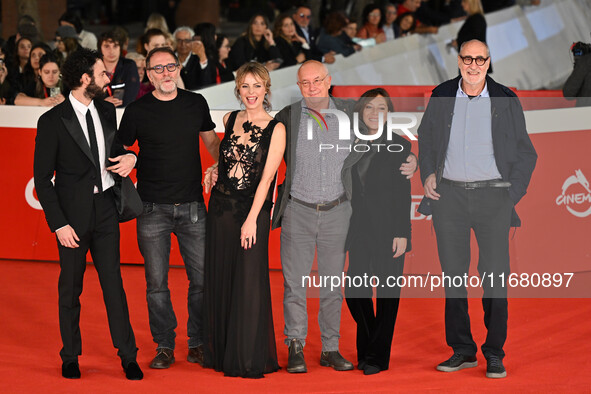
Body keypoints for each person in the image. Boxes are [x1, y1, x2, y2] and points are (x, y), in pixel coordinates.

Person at [273, 60, 417, 374]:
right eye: (305, 83)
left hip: (338, 213)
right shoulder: (289, 116)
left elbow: (381, 121)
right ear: (299, 86)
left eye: (317, 81)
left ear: (329, 81)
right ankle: (295, 344)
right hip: (298, 210)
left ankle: (330, 348)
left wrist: (410, 156)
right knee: (295, 284)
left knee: (333, 285)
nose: (312, 88)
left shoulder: (350, 111)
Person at [417, 39, 537, 379]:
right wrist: (427, 174)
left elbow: (526, 153)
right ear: (458, 61)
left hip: (493, 200)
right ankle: (462, 351)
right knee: (454, 278)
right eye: (467, 59)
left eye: (479, 59)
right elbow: (426, 140)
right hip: (449, 200)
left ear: (488, 62)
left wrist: (510, 196)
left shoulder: (506, 99)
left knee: (495, 278)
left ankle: (495, 352)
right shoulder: (441, 96)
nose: (473, 65)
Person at [32, 47, 143, 381]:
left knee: (114, 285)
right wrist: (59, 224)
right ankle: (70, 356)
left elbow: (117, 153)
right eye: (101, 73)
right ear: (84, 79)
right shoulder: (52, 121)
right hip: (72, 218)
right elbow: (42, 179)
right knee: (71, 288)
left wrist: (131, 159)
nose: (107, 77)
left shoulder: (107, 112)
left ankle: (128, 355)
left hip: (107, 208)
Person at [117, 47, 220, 370]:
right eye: (157, 69)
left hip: (193, 207)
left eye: (170, 67)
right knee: (156, 285)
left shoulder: (196, 103)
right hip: (151, 210)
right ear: (148, 75)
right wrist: (132, 157)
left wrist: (221, 164)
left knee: (202, 281)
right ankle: (164, 345)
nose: (165, 73)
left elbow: (212, 142)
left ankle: (198, 343)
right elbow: (117, 149)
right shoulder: (136, 111)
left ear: (178, 69)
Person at [202, 61, 285, 379]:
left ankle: (248, 357)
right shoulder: (229, 118)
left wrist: (251, 220)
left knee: (249, 282)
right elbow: (226, 158)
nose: (251, 93)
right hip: (220, 209)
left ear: (266, 89)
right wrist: (214, 169)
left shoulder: (276, 128)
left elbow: (266, 179)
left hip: (252, 213)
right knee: (222, 276)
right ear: (238, 89)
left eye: (257, 86)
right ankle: (223, 352)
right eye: (245, 86)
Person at [344, 88, 412, 376]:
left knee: (387, 295)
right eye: (369, 107)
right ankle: (372, 343)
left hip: (389, 230)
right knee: (354, 291)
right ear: (361, 111)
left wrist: (402, 232)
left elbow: (403, 192)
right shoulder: (349, 144)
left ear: (388, 113)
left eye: (381, 108)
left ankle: (376, 357)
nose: (374, 113)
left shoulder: (400, 146)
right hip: (357, 229)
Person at [98, 30, 140, 107]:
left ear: (120, 48)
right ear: (100, 48)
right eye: (107, 46)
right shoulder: (93, 67)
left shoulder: (129, 65)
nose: (111, 51)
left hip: (123, 111)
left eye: (115, 46)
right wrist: (102, 103)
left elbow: (131, 94)